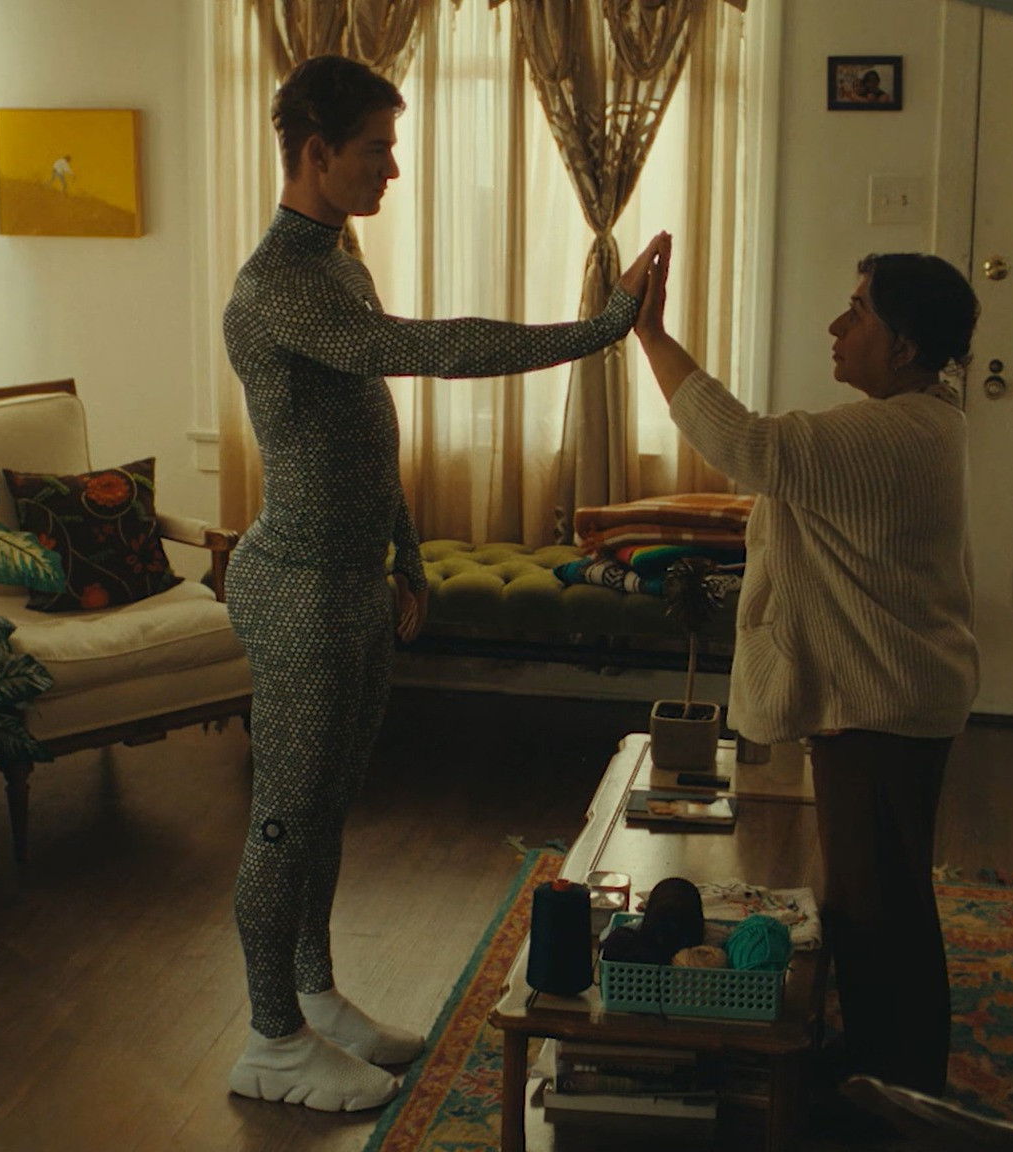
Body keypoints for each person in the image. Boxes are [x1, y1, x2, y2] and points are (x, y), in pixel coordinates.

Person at [218, 54, 663, 1113]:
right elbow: (432, 351)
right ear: (316, 152)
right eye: (375, 148)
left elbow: (363, 428)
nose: (393, 168)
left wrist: (406, 553)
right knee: (285, 818)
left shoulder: (336, 262)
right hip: (295, 588)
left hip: (353, 581)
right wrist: (598, 330)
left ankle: (314, 997)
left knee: (327, 807)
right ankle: (270, 1040)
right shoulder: (276, 286)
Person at [631, 239, 979, 1101]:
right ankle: (877, 1064)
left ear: (904, 346)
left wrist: (651, 333)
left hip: (885, 707)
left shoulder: (891, 433)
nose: (836, 326)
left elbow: (746, 444)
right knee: (871, 896)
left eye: (857, 312)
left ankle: (894, 1091)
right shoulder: (922, 422)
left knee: (879, 907)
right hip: (889, 698)